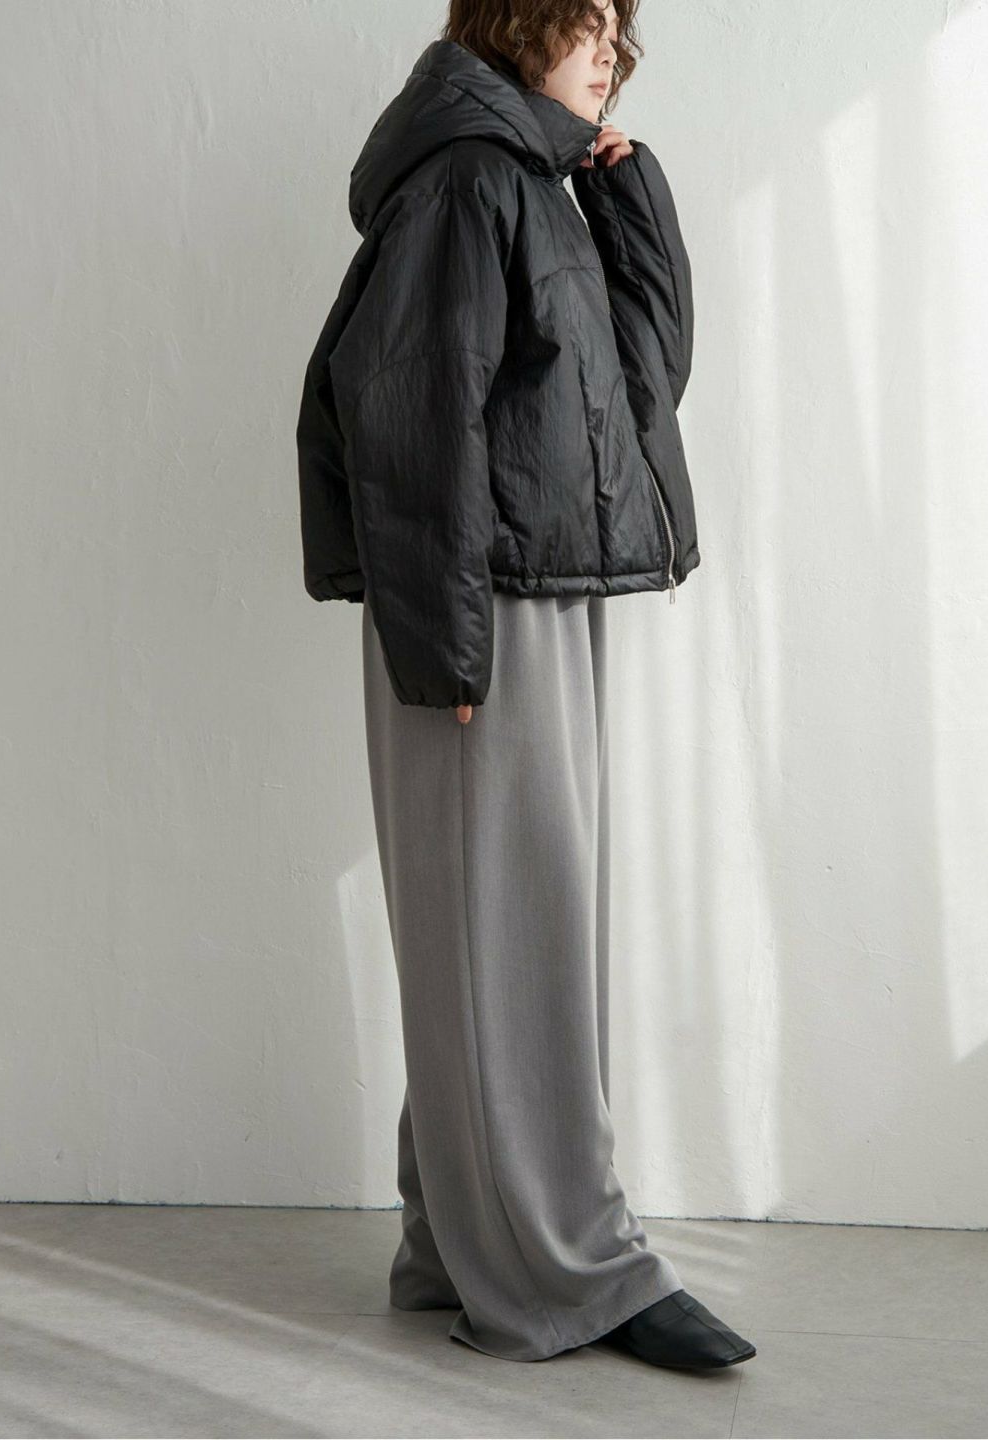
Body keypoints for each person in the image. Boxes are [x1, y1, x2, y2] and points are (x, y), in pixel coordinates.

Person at [296, 0, 756, 1369]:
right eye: (589, 19)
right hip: (478, 609)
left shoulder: (534, 182)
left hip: (537, 592)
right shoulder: (468, 177)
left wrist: (631, 206)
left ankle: (457, 1241)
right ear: (518, 20)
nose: (612, 48)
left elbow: (638, 386)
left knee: (510, 933)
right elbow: (410, 410)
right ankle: (571, 1268)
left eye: (621, 28)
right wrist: (445, 644)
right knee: (513, 937)